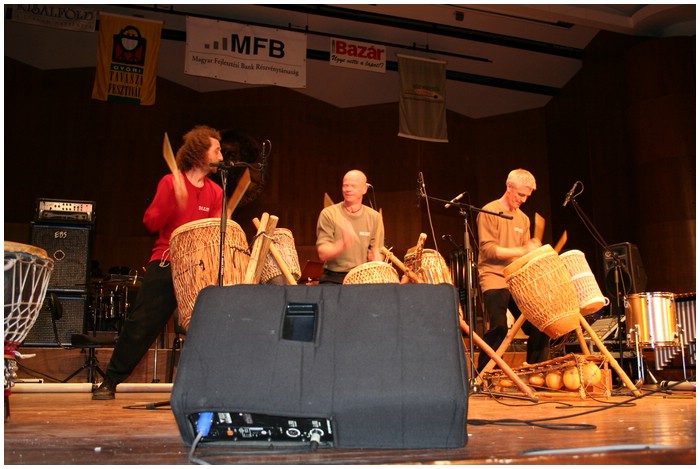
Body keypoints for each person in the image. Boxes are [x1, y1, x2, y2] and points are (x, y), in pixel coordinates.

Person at [92, 125, 225, 399]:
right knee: (141, 324)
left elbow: (213, 232)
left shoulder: (216, 191)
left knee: (209, 325)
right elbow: (151, 222)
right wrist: (173, 203)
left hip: (199, 269)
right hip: (166, 262)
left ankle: (208, 387)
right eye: (217, 150)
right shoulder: (170, 182)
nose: (222, 156)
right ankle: (111, 380)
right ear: (201, 153)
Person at [475, 168, 549, 372]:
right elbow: (489, 250)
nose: (523, 200)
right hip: (493, 277)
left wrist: (534, 253)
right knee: (499, 326)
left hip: (516, 280)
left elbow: (523, 256)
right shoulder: (488, 211)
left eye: (527, 196)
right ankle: (483, 373)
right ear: (509, 187)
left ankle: (537, 372)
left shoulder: (523, 219)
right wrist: (523, 249)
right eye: (520, 194)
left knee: (540, 325)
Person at [316, 169, 384, 284]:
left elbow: (378, 251)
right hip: (333, 278)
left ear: (364, 189)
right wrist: (343, 244)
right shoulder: (328, 213)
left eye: (353, 186)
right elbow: (322, 253)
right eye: (345, 185)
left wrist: (376, 258)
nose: (348, 189)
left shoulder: (375, 217)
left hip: (362, 277)